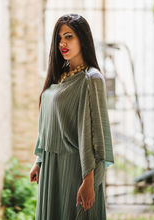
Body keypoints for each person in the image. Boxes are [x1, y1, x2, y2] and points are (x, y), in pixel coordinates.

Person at [30, 14, 114, 220]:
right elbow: (49, 121)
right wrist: (40, 159)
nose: (62, 43)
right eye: (59, 38)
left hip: (75, 167)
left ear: (82, 39)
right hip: (52, 166)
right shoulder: (59, 75)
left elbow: (97, 134)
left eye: (69, 37)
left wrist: (88, 180)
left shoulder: (91, 79)